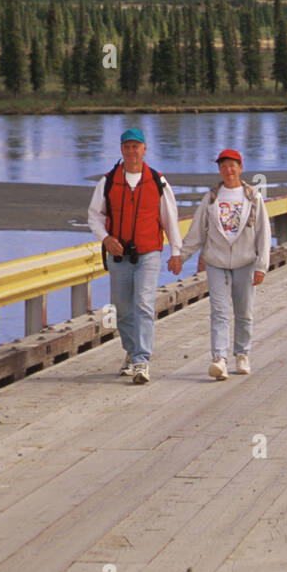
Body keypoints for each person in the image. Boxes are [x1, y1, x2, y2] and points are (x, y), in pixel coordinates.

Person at [87, 127, 183, 385]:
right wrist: (106, 238)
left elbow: (170, 218)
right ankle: (131, 352)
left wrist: (176, 252)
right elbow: (94, 216)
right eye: (127, 147)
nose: (132, 151)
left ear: (144, 149)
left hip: (149, 253)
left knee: (143, 303)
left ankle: (142, 360)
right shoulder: (107, 181)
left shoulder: (157, 181)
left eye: (136, 146)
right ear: (122, 150)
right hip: (118, 256)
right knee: (122, 310)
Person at [169, 148, 271, 380]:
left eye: (232, 165)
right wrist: (180, 257)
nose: (228, 170)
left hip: (246, 262)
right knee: (219, 312)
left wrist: (261, 266)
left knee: (244, 312)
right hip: (216, 262)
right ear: (219, 169)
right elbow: (196, 233)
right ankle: (219, 359)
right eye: (223, 166)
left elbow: (264, 234)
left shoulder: (253, 196)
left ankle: (242, 354)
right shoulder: (211, 198)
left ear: (240, 167)